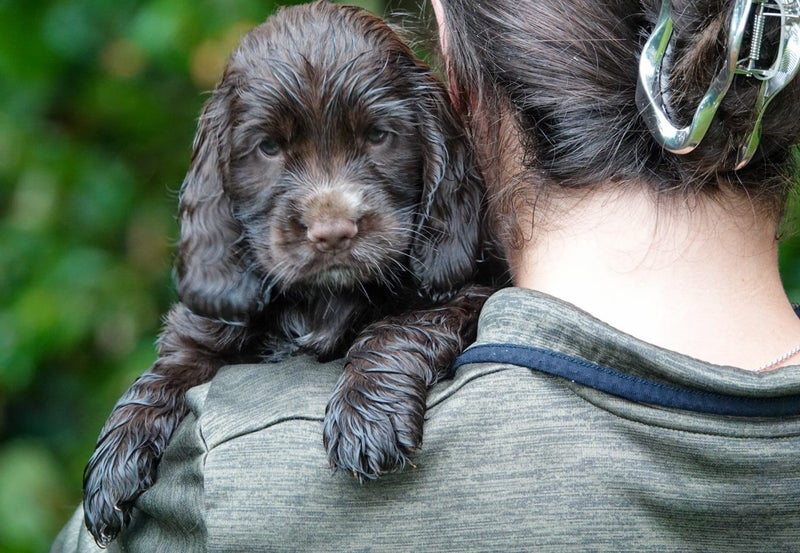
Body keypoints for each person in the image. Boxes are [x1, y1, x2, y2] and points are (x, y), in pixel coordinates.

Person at [52, 0, 800, 551]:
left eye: (378, 137)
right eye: (274, 151)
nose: (331, 213)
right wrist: (158, 395)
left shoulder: (220, 478)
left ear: (453, 68)